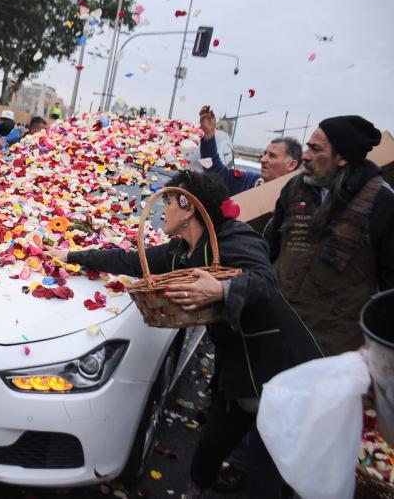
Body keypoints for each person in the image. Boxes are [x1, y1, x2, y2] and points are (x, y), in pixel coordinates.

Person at [46, 170, 321, 498]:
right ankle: (196, 489)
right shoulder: (180, 251)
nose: (162, 208)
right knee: (209, 447)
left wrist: (222, 288)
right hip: (236, 368)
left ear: (188, 207)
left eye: (167, 200)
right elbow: (132, 260)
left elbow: (265, 281)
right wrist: (73, 256)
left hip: (277, 364)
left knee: (268, 471)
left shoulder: (233, 237)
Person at [265, 115, 394, 357]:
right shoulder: (295, 187)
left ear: (343, 158)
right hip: (276, 330)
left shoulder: (382, 202)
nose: (305, 155)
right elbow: (269, 249)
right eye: (307, 147)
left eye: (315, 149)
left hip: (331, 349)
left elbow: (390, 290)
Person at [199, 106, 302, 195]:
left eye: (272, 156)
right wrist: (209, 135)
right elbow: (217, 174)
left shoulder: (296, 201)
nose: (263, 160)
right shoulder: (249, 181)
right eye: (265, 154)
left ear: (291, 165)